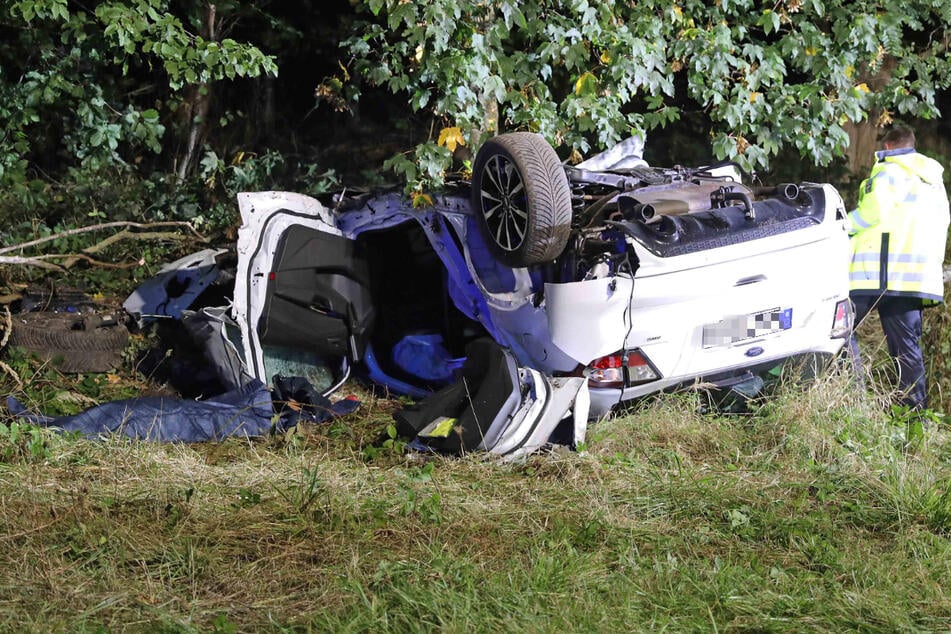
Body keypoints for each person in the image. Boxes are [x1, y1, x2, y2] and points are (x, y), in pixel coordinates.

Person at [848, 125, 950, 411]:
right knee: (907, 349)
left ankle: (854, 404)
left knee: (838, 330)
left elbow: (874, 211)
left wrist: (843, 226)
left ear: (889, 146)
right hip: (914, 277)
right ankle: (913, 416)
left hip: (878, 272)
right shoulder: (932, 181)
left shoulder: (890, 169)